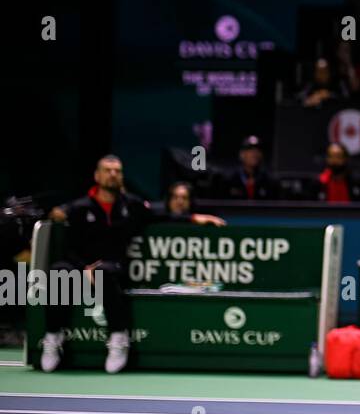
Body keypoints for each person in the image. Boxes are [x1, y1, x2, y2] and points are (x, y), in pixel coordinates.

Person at [40, 155, 225, 374]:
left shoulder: (132, 205)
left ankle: (118, 338)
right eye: (107, 170)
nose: (112, 174)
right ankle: (53, 338)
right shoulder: (79, 208)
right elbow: (68, 246)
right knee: (57, 271)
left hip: (114, 267)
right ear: (97, 176)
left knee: (104, 272)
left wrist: (195, 218)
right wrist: (83, 268)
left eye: (117, 171)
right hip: (82, 266)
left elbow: (162, 216)